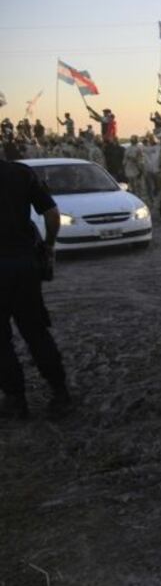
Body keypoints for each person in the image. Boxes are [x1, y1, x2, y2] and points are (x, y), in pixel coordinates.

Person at [0, 160, 72, 419]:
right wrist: (49, 246)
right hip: (23, 264)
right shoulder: (20, 172)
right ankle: (60, 392)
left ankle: (16, 400)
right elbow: (51, 214)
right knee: (36, 331)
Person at [123, 135, 148, 203]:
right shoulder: (137, 149)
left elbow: (124, 162)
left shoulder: (129, 149)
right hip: (134, 171)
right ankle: (136, 201)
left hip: (131, 171)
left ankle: (134, 200)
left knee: (133, 188)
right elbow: (139, 161)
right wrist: (141, 170)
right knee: (136, 188)